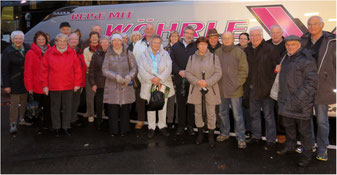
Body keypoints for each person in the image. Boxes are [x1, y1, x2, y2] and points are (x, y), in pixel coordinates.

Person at [276, 35, 318, 167]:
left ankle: (307, 155)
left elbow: (311, 84)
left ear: (299, 45)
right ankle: (290, 146)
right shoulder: (286, 58)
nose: (290, 47)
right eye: (288, 44)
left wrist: (296, 99)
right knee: (289, 128)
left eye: (293, 44)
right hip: (286, 102)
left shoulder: (306, 59)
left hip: (300, 103)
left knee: (305, 132)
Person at [301, 16, 336, 161]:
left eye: (315, 24)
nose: (312, 26)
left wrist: (332, 83)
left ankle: (322, 149)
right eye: (309, 24)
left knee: (322, 121)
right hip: (305, 87)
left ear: (322, 25)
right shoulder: (303, 40)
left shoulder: (331, 41)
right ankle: (309, 145)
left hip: (322, 87)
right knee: (305, 119)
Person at [245, 26, 280, 151]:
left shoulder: (270, 49)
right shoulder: (247, 50)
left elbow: (277, 68)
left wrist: (271, 86)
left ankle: (271, 140)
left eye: (256, 35)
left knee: (268, 116)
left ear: (261, 36)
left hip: (266, 89)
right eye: (252, 36)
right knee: (254, 115)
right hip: (252, 89)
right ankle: (256, 136)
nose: (254, 38)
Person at [40, 33, 82, 137]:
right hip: (54, 86)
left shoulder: (72, 53)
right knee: (55, 107)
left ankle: (66, 126)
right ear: (56, 42)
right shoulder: (49, 53)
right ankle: (57, 127)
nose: (62, 43)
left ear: (67, 42)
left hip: (69, 85)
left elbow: (77, 70)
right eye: (60, 41)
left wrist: (77, 84)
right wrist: (45, 85)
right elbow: (44, 70)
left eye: (64, 41)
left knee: (68, 107)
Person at [185, 36, 222, 147]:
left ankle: (211, 135)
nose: (203, 46)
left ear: (207, 45)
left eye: (205, 44)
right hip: (196, 89)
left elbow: (218, 73)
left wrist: (207, 82)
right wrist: (197, 81)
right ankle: (200, 133)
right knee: (198, 112)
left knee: (211, 113)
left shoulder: (214, 57)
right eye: (201, 44)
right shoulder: (191, 58)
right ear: (197, 45)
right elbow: (187, 73)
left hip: (210, 89)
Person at [215, 32, 249, 149]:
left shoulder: (239, 52)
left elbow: (244, 70)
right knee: (222, 113)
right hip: (221, 89)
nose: (226, 40)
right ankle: (224, 133)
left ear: (233, 39)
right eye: (224, 38)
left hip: (235, 90)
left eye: (228, 38)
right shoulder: (218, 52)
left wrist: (236, 84)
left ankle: (241, 137)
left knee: (237, 115)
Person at [138, 34, 175, 138]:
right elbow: (141, 69)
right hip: (150, 84)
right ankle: (151, 127)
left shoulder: (165, 54)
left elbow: (169, 68)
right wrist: (152, 79)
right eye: (154, 42)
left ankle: (162, 126)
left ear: (161, 44)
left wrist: (159, 78)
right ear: (150, 43)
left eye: (158, 43)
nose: (156, 45)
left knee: (162, 105)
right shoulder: (143, 55)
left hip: (163, 83)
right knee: (151, 106)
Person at [102, 33, 137, 136]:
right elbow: (104, 70)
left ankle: (124, 130)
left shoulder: (128, 53)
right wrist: (115, 76)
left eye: (118, 40)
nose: (116, 43)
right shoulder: (108, 54)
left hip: (126, 84)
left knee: (125, 108)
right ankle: (114, 130)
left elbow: (134, 68)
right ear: (111, 42)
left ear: (121, 41)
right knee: (113, 109)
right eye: (114, 41)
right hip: (113, 85)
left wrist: (129, 76)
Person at [2, 30, 31, 134]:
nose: (18, 40)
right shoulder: (7, 51)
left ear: (23, 39)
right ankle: (13, 123)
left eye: (20, 38)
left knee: (24, 102)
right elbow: (4, 70)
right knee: (14, 104)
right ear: (12, 40)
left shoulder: (28, 48)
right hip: (14, 82)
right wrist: (6, 85)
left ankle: (22, 119)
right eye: (16, 38)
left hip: (26, 81)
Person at [171, 26, 198, 136]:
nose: (189, 35)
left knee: (191, 104)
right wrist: (178, 71)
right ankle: (181, 126)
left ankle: (190, 126)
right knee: (181, 104)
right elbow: (171, 62)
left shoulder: (196, 47)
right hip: (179, 79)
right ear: (183, 33)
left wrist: (191, 74)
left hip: (192, 81)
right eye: (187, 33)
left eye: (191, 33)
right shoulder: (175, 46)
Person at [24, 31, 51, 133]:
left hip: (49, 85)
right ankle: (37, 125)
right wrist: (29, 87)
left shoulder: (50, 51)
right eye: (39, 39)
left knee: (48, 106)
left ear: (46, 40)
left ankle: (47, 124)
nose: (41, 41)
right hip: (36, 85)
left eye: (43, 39)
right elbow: (27, 71)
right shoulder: (30, 53)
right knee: (36, 107)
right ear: (35, 40)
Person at [133, 23, 156, 129]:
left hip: (153, 78)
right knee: (140, 100)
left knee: (154, 100)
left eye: (151, 29)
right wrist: (134, 76)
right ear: (144, 30)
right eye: (147, 29)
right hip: (140, 77)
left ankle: (153, 122)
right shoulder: (138, 44)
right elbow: (133, 61)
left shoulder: (158, 43)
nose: (149, 31)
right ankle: (141, 120)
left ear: (154, 31)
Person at [266, 25, 286, 143]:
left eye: (277, 32)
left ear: (282, 33)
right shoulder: (266, 45)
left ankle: (281, 133)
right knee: (270, 110)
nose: (275, 34)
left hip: (282, 82)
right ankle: (271, 134)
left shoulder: (287, 45)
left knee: (281, 110)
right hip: (268, 81)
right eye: (273, 32)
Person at [89, 35, 109, 129]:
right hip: (99, 83)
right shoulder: (96, 54)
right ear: (100, 43)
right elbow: (91, 70)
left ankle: (111, 122)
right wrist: (93, 84)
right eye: (103, 42)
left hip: (111, 83)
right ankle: (99, 121)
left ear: (109, 43)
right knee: (99, 103)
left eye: (106, 42)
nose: (104, 44)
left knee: (111, 104)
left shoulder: (113, 53)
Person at [68, 33, 87, 126]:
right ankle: (68, 119)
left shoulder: (79, 51)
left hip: (79, 81)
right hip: (70, 82)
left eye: (76, 39)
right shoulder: (67, 52)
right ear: (68, 41)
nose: (74, 41)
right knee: (69, 102)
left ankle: (73, 117)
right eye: (72, 39)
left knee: (76, 101)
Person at [164, 30, 181, 129]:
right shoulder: (165, 49)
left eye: (176, 36)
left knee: (179, 100)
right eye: (172, 36)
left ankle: (178, 120)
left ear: (178, 38)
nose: (174, 38)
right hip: (167, 78)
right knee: (169, 99)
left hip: (178, 77)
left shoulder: (181, 48)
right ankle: (169, 120)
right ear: (170, 38)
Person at [237, 32, 252, 138]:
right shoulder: (235, 50)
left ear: (248, 40)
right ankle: (240, 128)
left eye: (244, 39)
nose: (242, 40)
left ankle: (248, 129)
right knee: (238, 107)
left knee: (247, 107)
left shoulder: (252, 50)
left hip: (248, 83)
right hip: (237, 82)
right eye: (241, 38)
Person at [83, 31, 100, 123]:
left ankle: (101, 112)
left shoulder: (102, 48)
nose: (94, 38)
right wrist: (96, 64)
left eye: (95, 37)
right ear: (90, 39)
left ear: (98, 38)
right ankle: (91, 114)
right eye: (92, 37)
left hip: (100, 76)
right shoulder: (86, 50)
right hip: (89, 75)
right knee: (90, 96)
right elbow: (86, 62)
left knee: (100, 95)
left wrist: (92, 63)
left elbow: (103, 63)